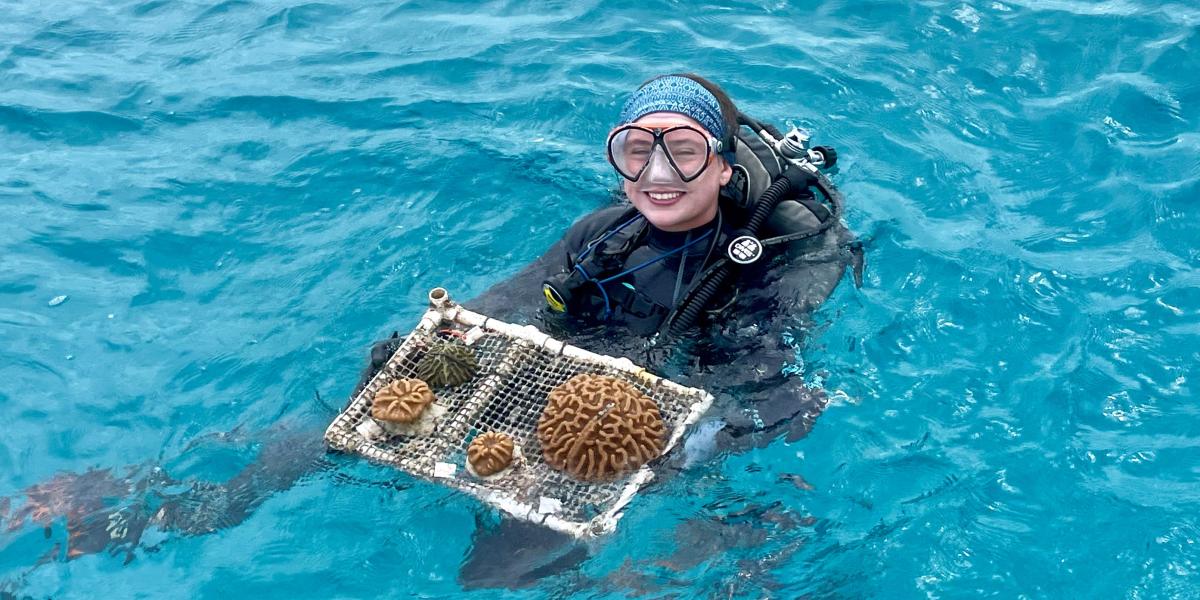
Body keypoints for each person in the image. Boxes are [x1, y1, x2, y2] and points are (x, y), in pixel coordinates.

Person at [1, 74, 860, 589]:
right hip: (578, 384)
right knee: (335, 434)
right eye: (635, 150)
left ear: (719, 157)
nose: (657, 174)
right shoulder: (606, 232)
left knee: (522, 567)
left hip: (702, 400)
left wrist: (682, 447)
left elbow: (778, 394)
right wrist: (427, 351)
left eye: (681, 150)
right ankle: (135, 507)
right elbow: (505, 304)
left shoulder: (785, 247)